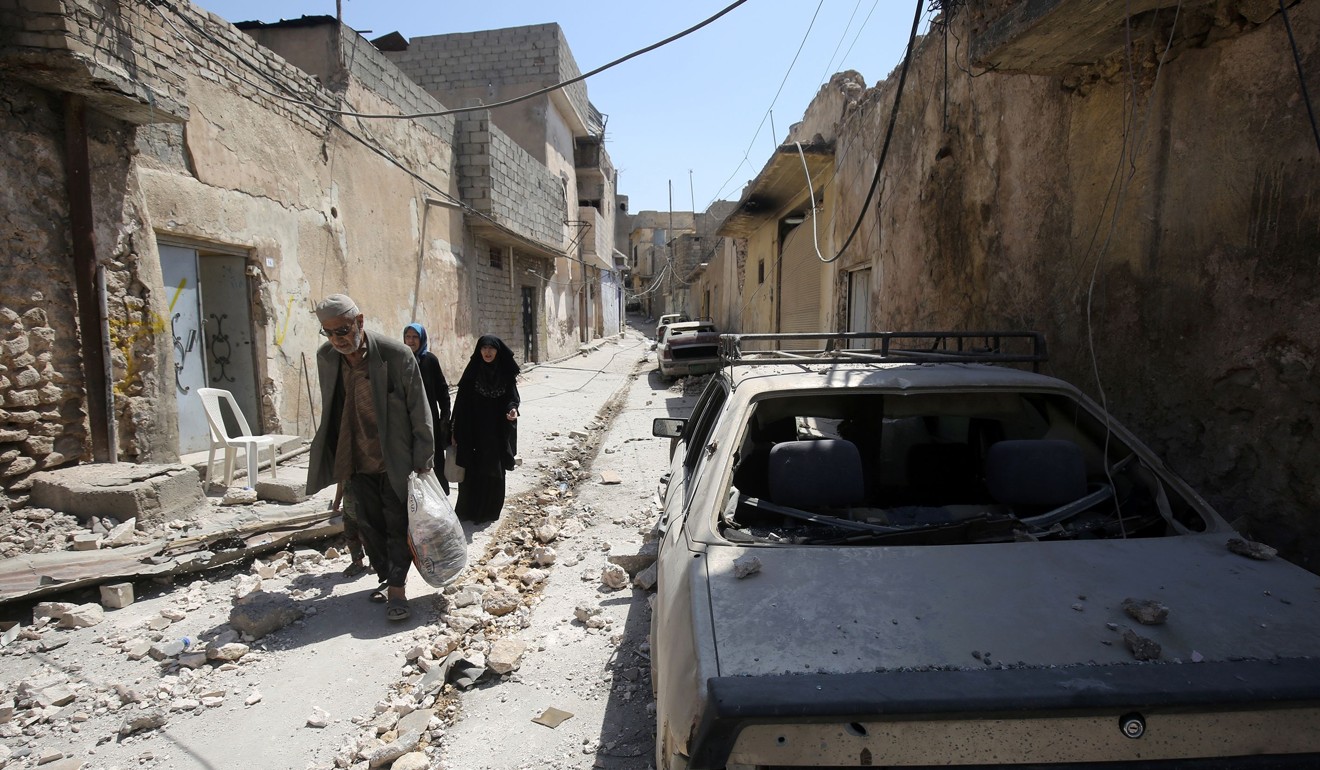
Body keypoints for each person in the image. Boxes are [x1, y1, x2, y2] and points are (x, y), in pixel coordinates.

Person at [306, 294, 434, 622]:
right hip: (355, 457)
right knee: (369, 526)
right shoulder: (327, 358)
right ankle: (384, 575)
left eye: (343, 331)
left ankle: (397, 590)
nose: (338, 339)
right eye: (330, 333)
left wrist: (424, 455)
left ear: (360, 322)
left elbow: (420, 410)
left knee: (396, 525)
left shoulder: (396, 355)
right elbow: (333, 409)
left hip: (394, 459)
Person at [451, 335, 520, 523]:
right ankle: (469, 510)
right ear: (479, 350)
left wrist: (512, 410)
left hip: (496, 431)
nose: (487, 352)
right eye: (484, 348)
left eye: (491, 348)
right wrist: (455, 429)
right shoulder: (472, 372)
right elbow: (460, 403)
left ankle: (489, 510)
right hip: (472, 430)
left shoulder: (504, 374)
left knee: (492, 469)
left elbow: (512, 398)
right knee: (472, 468)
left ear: (497, 351)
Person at [403, 323, 452, 494]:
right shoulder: (401, 360)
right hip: (407, 418)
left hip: (429, 417)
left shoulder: (430, 360)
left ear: (422, 339)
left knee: (434, 456)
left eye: (415, 337)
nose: (411, 341)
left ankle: (438, 494)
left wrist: (445, 415)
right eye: (408, 337)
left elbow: (442, 389)